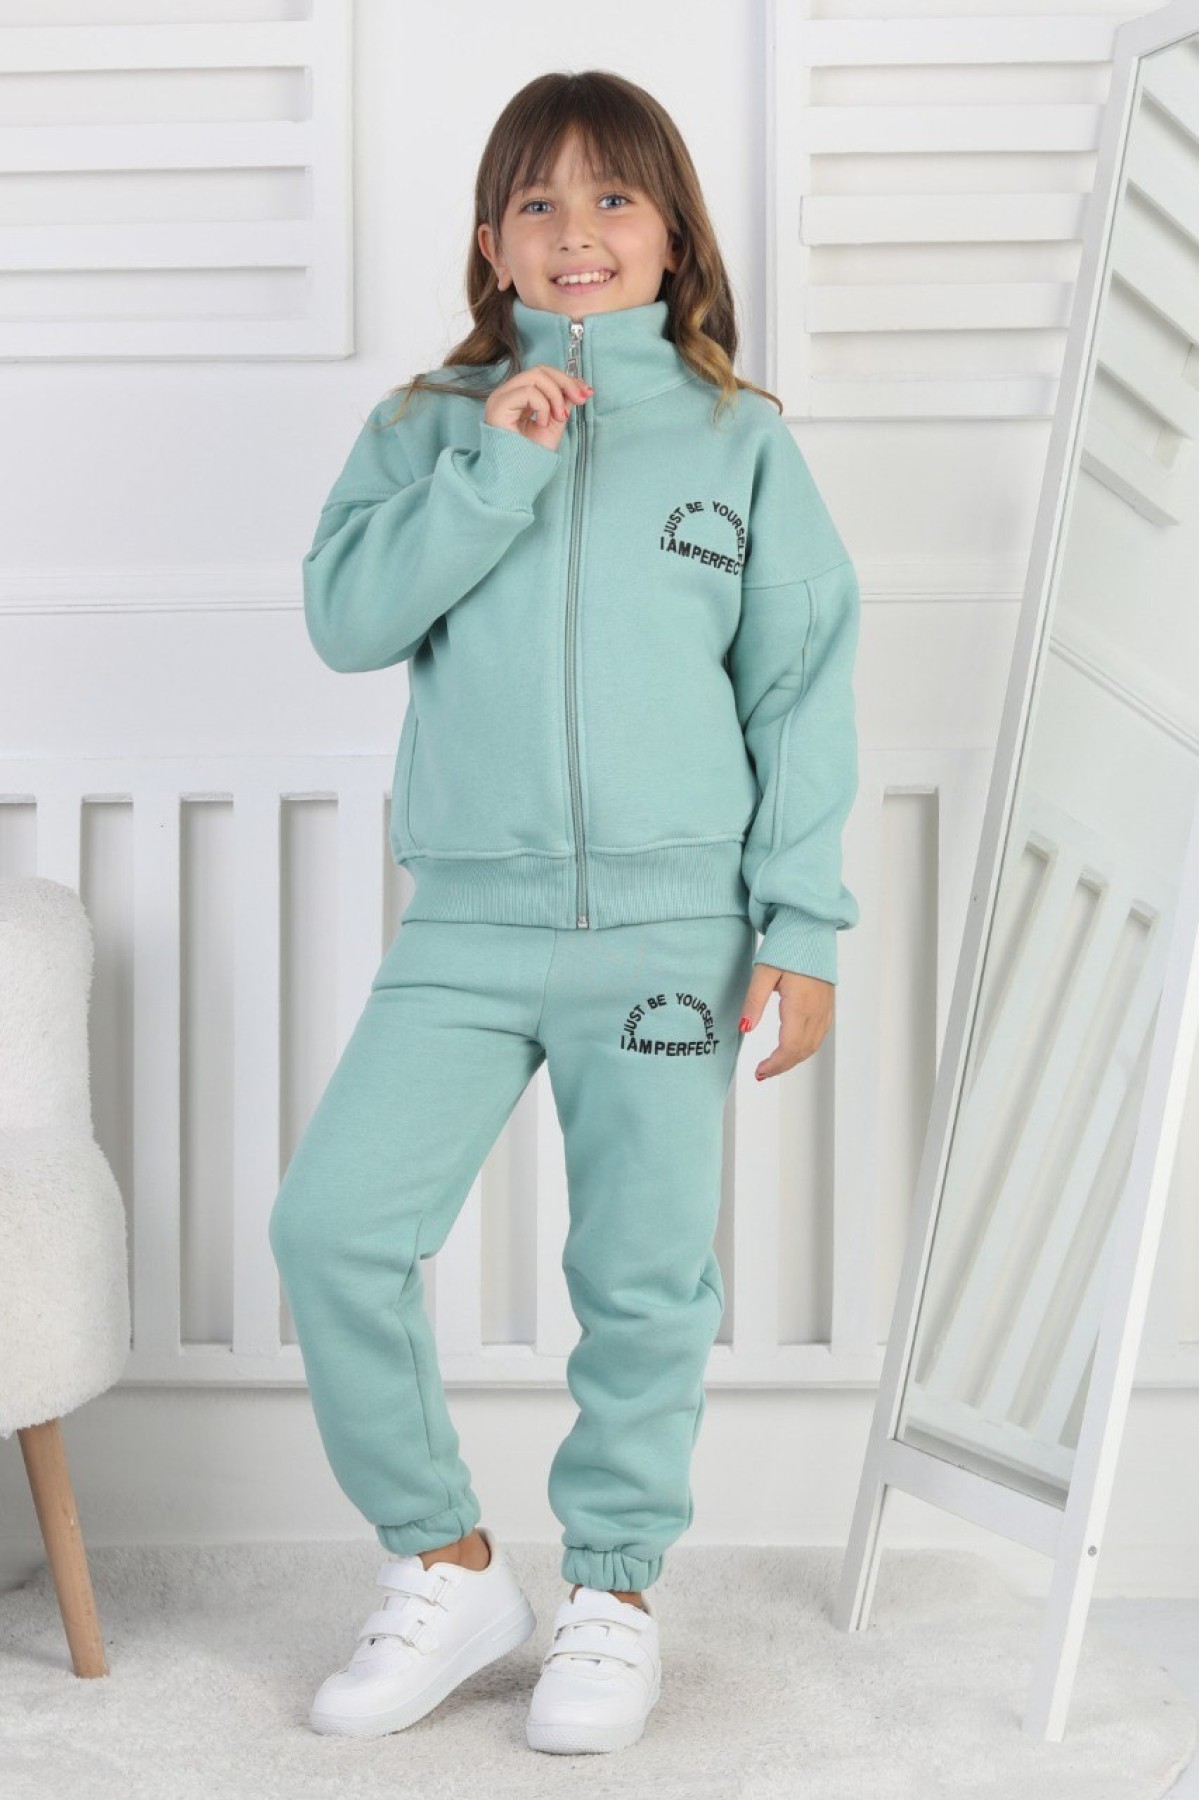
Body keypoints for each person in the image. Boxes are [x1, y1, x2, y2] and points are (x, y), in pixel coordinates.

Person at [268, 67, 860, 1756]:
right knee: (333, 1229)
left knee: (643, 1273)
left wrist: (803, 928)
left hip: (677, 934)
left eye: (613, 197)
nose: (576, 229)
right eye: (538, 200)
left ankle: (613, 1593)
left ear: (674, 236)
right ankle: (446, 1564)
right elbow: (347, 621)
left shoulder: (743, 440)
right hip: (467, 925)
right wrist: (493, 466)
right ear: (491, 243)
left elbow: (800, 692)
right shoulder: (424, 424)